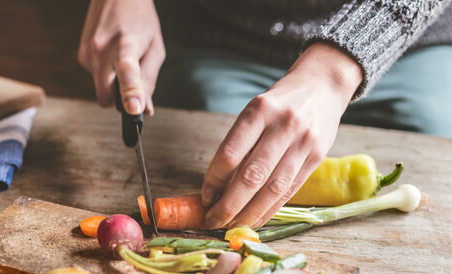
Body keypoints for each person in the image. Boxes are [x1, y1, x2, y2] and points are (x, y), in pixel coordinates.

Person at [77, 0, 452, 230]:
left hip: (404, 42)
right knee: (222, 165)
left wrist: (333, 72)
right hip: (222, 38)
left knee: (435, 142)